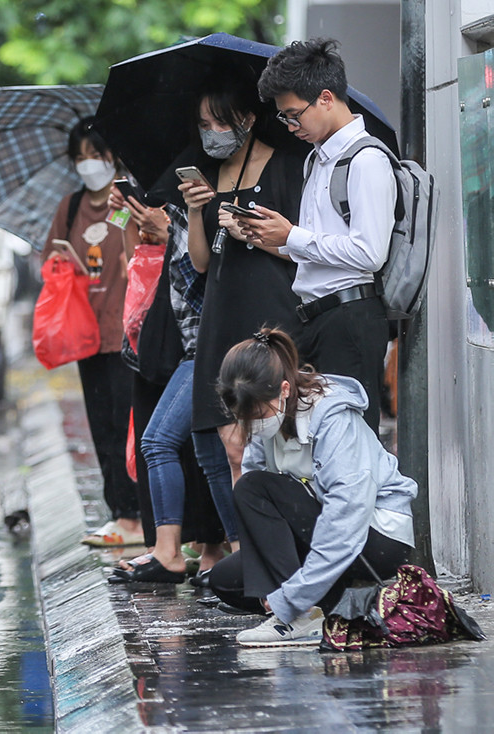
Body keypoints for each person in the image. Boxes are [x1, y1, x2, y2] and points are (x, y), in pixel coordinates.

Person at [208, 328, 416, 647]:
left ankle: (300, 616)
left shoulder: (333, 417)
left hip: (376, 536)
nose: (254, 424)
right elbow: (259, 516)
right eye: (244, 418)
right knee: (226, 580)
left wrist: (291, 598)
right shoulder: (265, 419)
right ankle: (329, 603)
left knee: (252, 488)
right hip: (318, 527)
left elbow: (345, 520)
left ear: (284, 389)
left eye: (259, 414)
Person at [242, 38, 394, 432]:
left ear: (326, 98)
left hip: (350, 317)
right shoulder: (316, 158)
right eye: (285, 118)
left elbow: (370, 253)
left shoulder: (367, 159)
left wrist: (292, 235)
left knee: (350, 441)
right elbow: (315, 248)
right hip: (317, 317)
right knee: (319, 440)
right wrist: (271, 237)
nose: (292, 127)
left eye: (295, 115)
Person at [178, 69, 304, 487]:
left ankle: (281, 526)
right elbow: (200, 262)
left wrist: (249, 233)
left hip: (272, 317)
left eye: (221, 122)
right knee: (234, 448)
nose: (212, 133)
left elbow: (301, 249)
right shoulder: (208, 174)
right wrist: (195, 209)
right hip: (222, 318)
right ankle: (244, 529)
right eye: (204, 124)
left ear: (248, 119)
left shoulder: (286, 166)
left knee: (282, 444)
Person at [109, 184, 238, 584]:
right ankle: (239, 555)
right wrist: (130, 221)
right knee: (212, 454)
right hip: (182, 341)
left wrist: (168, 230)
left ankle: (177, 553)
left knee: (159, 441)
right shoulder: (173, 204)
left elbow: (201, 270)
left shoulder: (195, 203)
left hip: (206, 344)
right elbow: (135, 261)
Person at [44, 117, 142, 547]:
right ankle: (119, 514)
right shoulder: (69, 208)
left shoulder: (131, 199)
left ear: (112, 156)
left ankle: (137, 516)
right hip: (86, 333)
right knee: (100, 425)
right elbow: (50, 263)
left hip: (127, 331)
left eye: (95, 155)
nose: (88, 164)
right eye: (79, 157)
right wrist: (65, 266)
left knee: (128, 425)